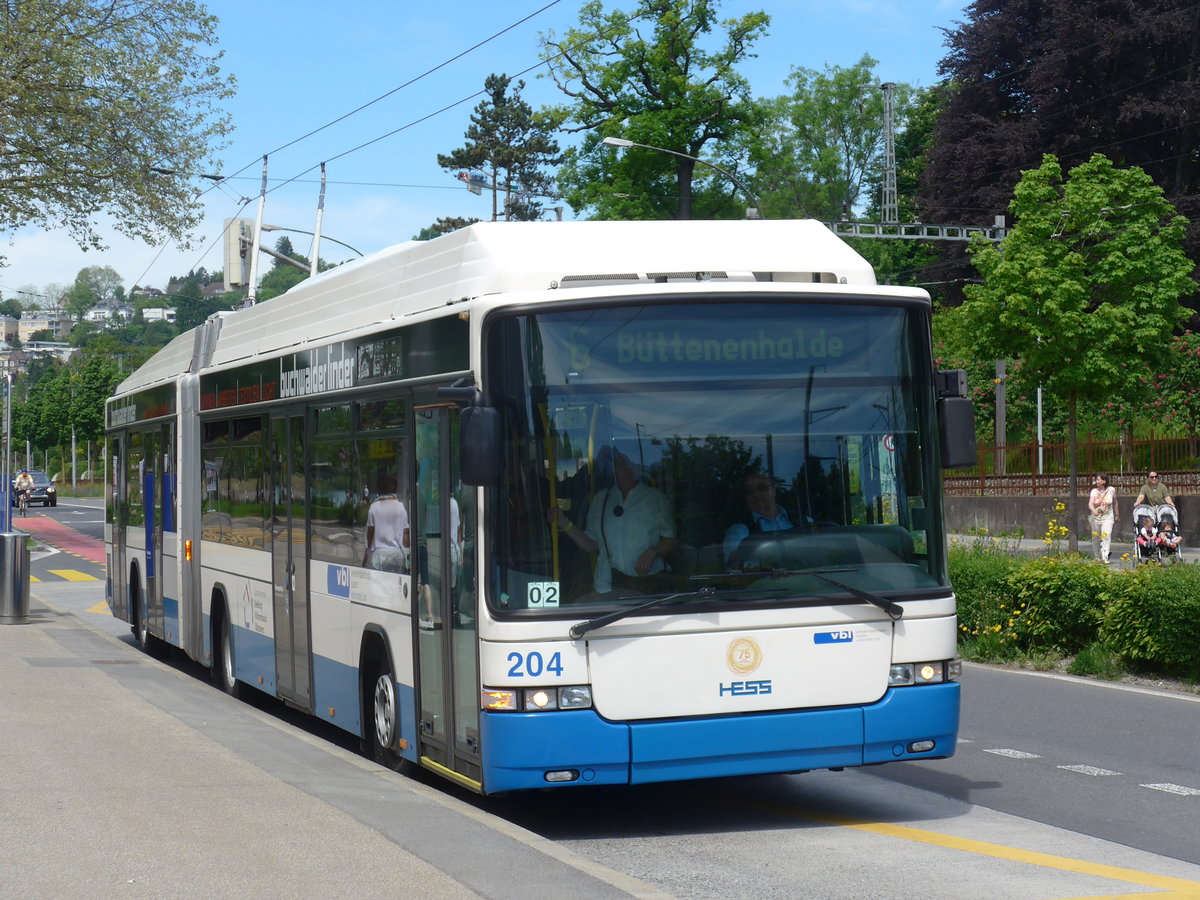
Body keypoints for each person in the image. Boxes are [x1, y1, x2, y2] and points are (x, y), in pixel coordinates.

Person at [553, 450, 678, 595]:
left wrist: (652, 552)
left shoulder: (654, 498)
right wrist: (564, 523)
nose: (626, 469)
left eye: (629, 464)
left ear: (637, 468)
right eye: (620, 465)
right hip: (607, 587)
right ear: (613, 469)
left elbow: (672, 542)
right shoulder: (601, 499)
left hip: (648, 587)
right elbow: (592, 546)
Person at [724, 472, 795, 568]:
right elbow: (734, 567)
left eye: (761, 488)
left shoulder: (804, 521)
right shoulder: (738, 530)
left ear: (773, 491)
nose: (755, 494)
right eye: (749, 491)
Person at [363, 474, 408, 572]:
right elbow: (406, 536)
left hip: (379, 556)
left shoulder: (374, 507)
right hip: (397, 556)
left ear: (379, 490)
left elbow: (370, 534)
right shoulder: (401, 507)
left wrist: (366, 554)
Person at [1087, 473, 1118, 564]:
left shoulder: (1111, 490)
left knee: (1106, 536)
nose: (1097, 481)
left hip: (1108, 517)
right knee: (1096, 537)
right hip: (1096, 518)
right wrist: (1093, 510)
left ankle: (1105, 557)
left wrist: (1117, 515)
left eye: (1098, 479)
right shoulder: (1094, 491)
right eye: (1096, 480)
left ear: (1104, 481)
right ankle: (1097, 557)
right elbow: (1090, 503)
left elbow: (1115, 503)